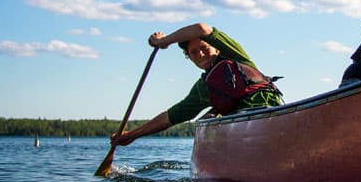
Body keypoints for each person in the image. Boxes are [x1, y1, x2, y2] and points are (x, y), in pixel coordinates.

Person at [110, 22, 283, 146]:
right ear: (190, 58)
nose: (200, 54)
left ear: (216, 48)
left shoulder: (235, 55)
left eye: (203, 47)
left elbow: (202, 28)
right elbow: (170, 117)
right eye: (193, 52)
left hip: (268, 112)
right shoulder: (203, 88)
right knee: (208, 118)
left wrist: (163, 42)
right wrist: (132, 135)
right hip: (241, 129)